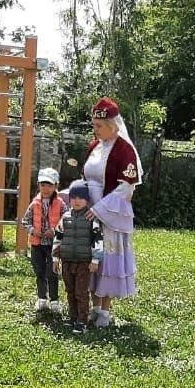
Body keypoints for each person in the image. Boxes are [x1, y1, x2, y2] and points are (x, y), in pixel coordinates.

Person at [82, 97, 140, 327]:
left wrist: (101, 209)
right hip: (89, 209)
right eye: (94, 125)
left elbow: (127, 186)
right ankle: (93, 306)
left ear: (113, 125)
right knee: (91, 256)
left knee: (106, 259)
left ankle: (105, 311)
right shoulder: (94, 146)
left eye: (99, 126)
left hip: (109, 212)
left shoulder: (124, 149)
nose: (95, 130)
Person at [53, 180, 103, 334]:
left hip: (83, 262)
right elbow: (58, 237)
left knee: (81, 292)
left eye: (81, 198)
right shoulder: (65, 217)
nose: (77, 201)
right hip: (67, 260)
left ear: (86, 200)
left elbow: (98, 239)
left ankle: (82, 320)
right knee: (70, 290)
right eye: (73, 197)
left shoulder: (91, 218)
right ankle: (72, 317)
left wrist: (95, 260)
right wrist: (55, 258)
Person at [22, 168, 64, 312]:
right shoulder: (34, 204)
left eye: (50, 185)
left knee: (52, 272)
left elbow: (66, 221)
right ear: (39, 185)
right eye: (43, 185)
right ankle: (41, 298)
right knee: (39, 271)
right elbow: (25, 221)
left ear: (56, 186)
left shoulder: (60, 203)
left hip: (53, 244)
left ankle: (54, 300)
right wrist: (33, 231)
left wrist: (55, 231)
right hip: (37, 244)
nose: (46, 189)